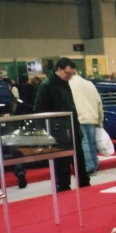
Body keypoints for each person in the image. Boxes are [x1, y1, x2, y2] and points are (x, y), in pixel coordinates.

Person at [34, 58, 91, 192]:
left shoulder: (65, 83)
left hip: (71, 128)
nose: (69, 76)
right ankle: (63, 188)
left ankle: (84, 184)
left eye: (72, 74)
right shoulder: (46, 86)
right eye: (67, 73)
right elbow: (39, 110)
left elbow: (71, 107)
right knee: (61, 163)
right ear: (59, 69)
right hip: (57, 131)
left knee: (79, 159)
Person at [69, 74, 104, 177]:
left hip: (79, 118)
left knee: (84, 144)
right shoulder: (89, 84)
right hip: (92, 117)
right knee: (92, 143)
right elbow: (99, 102)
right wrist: (100, 119)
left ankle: (89, 167)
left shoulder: (70, 85)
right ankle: (95, 163)